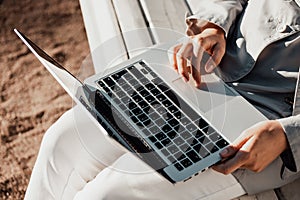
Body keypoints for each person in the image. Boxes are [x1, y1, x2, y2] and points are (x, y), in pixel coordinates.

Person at [25, 0, 300, 199]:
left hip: (264, 125)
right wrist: (213, 26)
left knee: (109, 194)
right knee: (61, 141)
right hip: (205, 73)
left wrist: (287, 136)